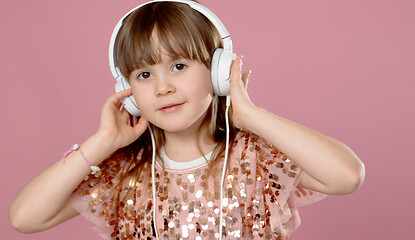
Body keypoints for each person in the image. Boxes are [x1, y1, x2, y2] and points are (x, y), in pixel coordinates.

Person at [9, 0, 365, 239]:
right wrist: (102, 141)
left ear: (217, 73)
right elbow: (25, 218)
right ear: (127, 90)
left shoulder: (257, 158)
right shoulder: (122, 173)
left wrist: (251, 116)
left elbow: (347, 175)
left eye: (179, 66)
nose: (163, 87)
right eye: (144, 75)